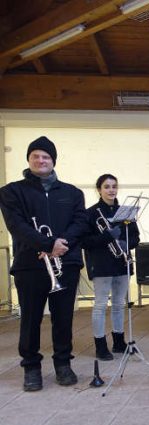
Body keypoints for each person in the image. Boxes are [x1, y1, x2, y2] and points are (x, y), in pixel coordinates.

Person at [0, 136, 88, 391]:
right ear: (28, 160)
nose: (41, 160)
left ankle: (63, 364)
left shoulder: (72, 193)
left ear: (53, 161)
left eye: (46, 157)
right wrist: (46, 245)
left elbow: (81, 223)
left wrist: (60, 245)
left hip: (66, 263)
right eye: (36, 156)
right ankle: (31, 367)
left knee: (63, 318)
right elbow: (16, 225)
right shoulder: (11, 191)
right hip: (30, 265)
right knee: (30, 318)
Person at [83, 174, 140, 361]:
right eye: (107, 186)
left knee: (118, 304)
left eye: (114, 186)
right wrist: (107, 237)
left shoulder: (126, 212)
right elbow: (85, 241)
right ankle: (100, 346)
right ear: (99, 189)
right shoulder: (90, 213)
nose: (111, 190)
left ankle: (118, 342)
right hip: (101, 264)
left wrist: (126, 243)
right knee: (100, 305)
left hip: (122, 262)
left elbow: (136, 237)